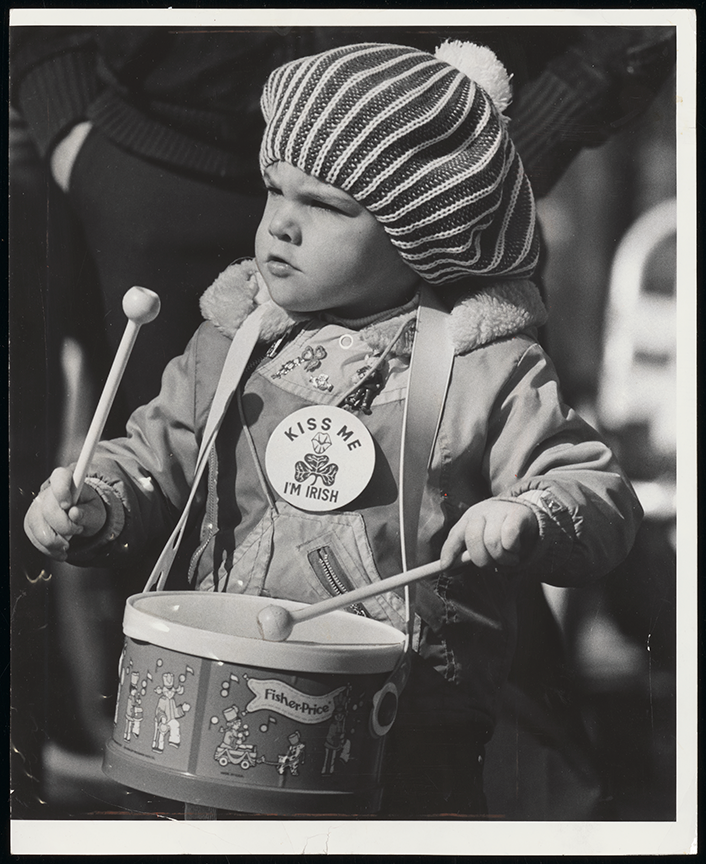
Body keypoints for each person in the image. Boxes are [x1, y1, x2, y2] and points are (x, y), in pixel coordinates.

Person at [24, 40, 642, 815]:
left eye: (326, 205)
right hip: (222, 715)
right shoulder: (233, 340)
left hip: (409, 733)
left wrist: (528, 512)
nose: (281, 223)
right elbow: (157, 454)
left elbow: (595, 491)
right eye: (274, 189)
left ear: (425, 229)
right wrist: (100, 498)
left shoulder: (488, 366)